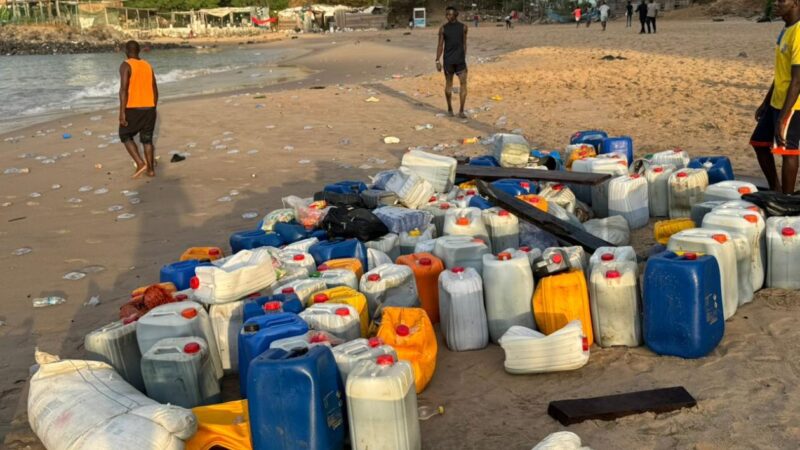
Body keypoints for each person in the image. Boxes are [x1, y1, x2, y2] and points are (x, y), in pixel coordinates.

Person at [751, 0, 800, 193]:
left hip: (793, 104)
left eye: (782, 0)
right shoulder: (786, 30)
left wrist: (782, 117)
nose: (777, 3)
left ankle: (786, 201)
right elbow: (780, 72)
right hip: (776, 101)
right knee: (759, 143)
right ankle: (776, 189)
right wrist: (765, 102)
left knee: (788, 151)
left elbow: (797, 80)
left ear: (795, 3)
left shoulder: (798, 33)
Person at [118, 40, 158, 178]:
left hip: (133, 108)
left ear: (126, 51)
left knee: (124, 135)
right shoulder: (147, 65)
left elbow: (123, 90)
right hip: (149, 107)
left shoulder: (126, 65)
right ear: (139, 50)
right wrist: (153, 107)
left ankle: (140, 164)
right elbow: (154, 88)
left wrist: (122, 112)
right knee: (147, 140)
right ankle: (151, 170)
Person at [436, 6, 468, 118]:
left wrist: (463, 56)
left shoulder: (464, 27)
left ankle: (461, 110)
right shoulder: (443, 29)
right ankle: (450, 108)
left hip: (460, 61)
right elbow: (440, 45)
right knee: (448, 84)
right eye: (447, 14)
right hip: (448, 61)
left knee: (463, 84)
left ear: (456, 14)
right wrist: (437, 60)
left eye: (450, 14)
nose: (448, 16)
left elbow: (464, 43)